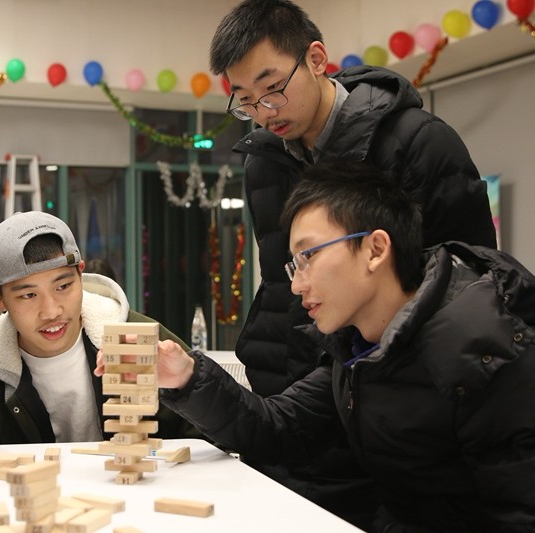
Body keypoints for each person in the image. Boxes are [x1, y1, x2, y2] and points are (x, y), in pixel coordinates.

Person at [97, 160, 535, 531]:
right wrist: (187, 377)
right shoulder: (359, 350)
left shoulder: (486, 351)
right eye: (294, 264)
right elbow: (278, 429)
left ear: (375, 249)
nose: (297, 284)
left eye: (309, 256)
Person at [209, 0, 497, 523]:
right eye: (246, 100)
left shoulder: (417, 144)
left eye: (273, 88)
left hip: (391, 404)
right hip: (295, 396)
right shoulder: (263, 163)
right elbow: (282, 282)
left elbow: (470, 285)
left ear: (316, 59)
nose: (265, 112)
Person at [0, 211, 198, 445]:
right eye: (29, 295)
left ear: (81, 274)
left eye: (63, 287)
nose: (51, 312)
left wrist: (187, 383)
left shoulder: (138, 338)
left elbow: (208, 428)